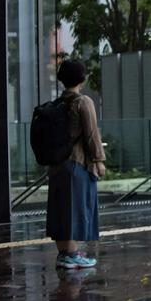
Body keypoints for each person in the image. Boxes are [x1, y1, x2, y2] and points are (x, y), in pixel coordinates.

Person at [46, 59, 105, 269]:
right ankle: (72, 254)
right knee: (74, 208)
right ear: (82, 78)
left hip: (57, 166)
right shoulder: (83, 102)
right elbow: (91, 134)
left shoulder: (57, 103)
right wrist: (99, 160)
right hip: (77, 164)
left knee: (60, 209)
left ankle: (64, 253)